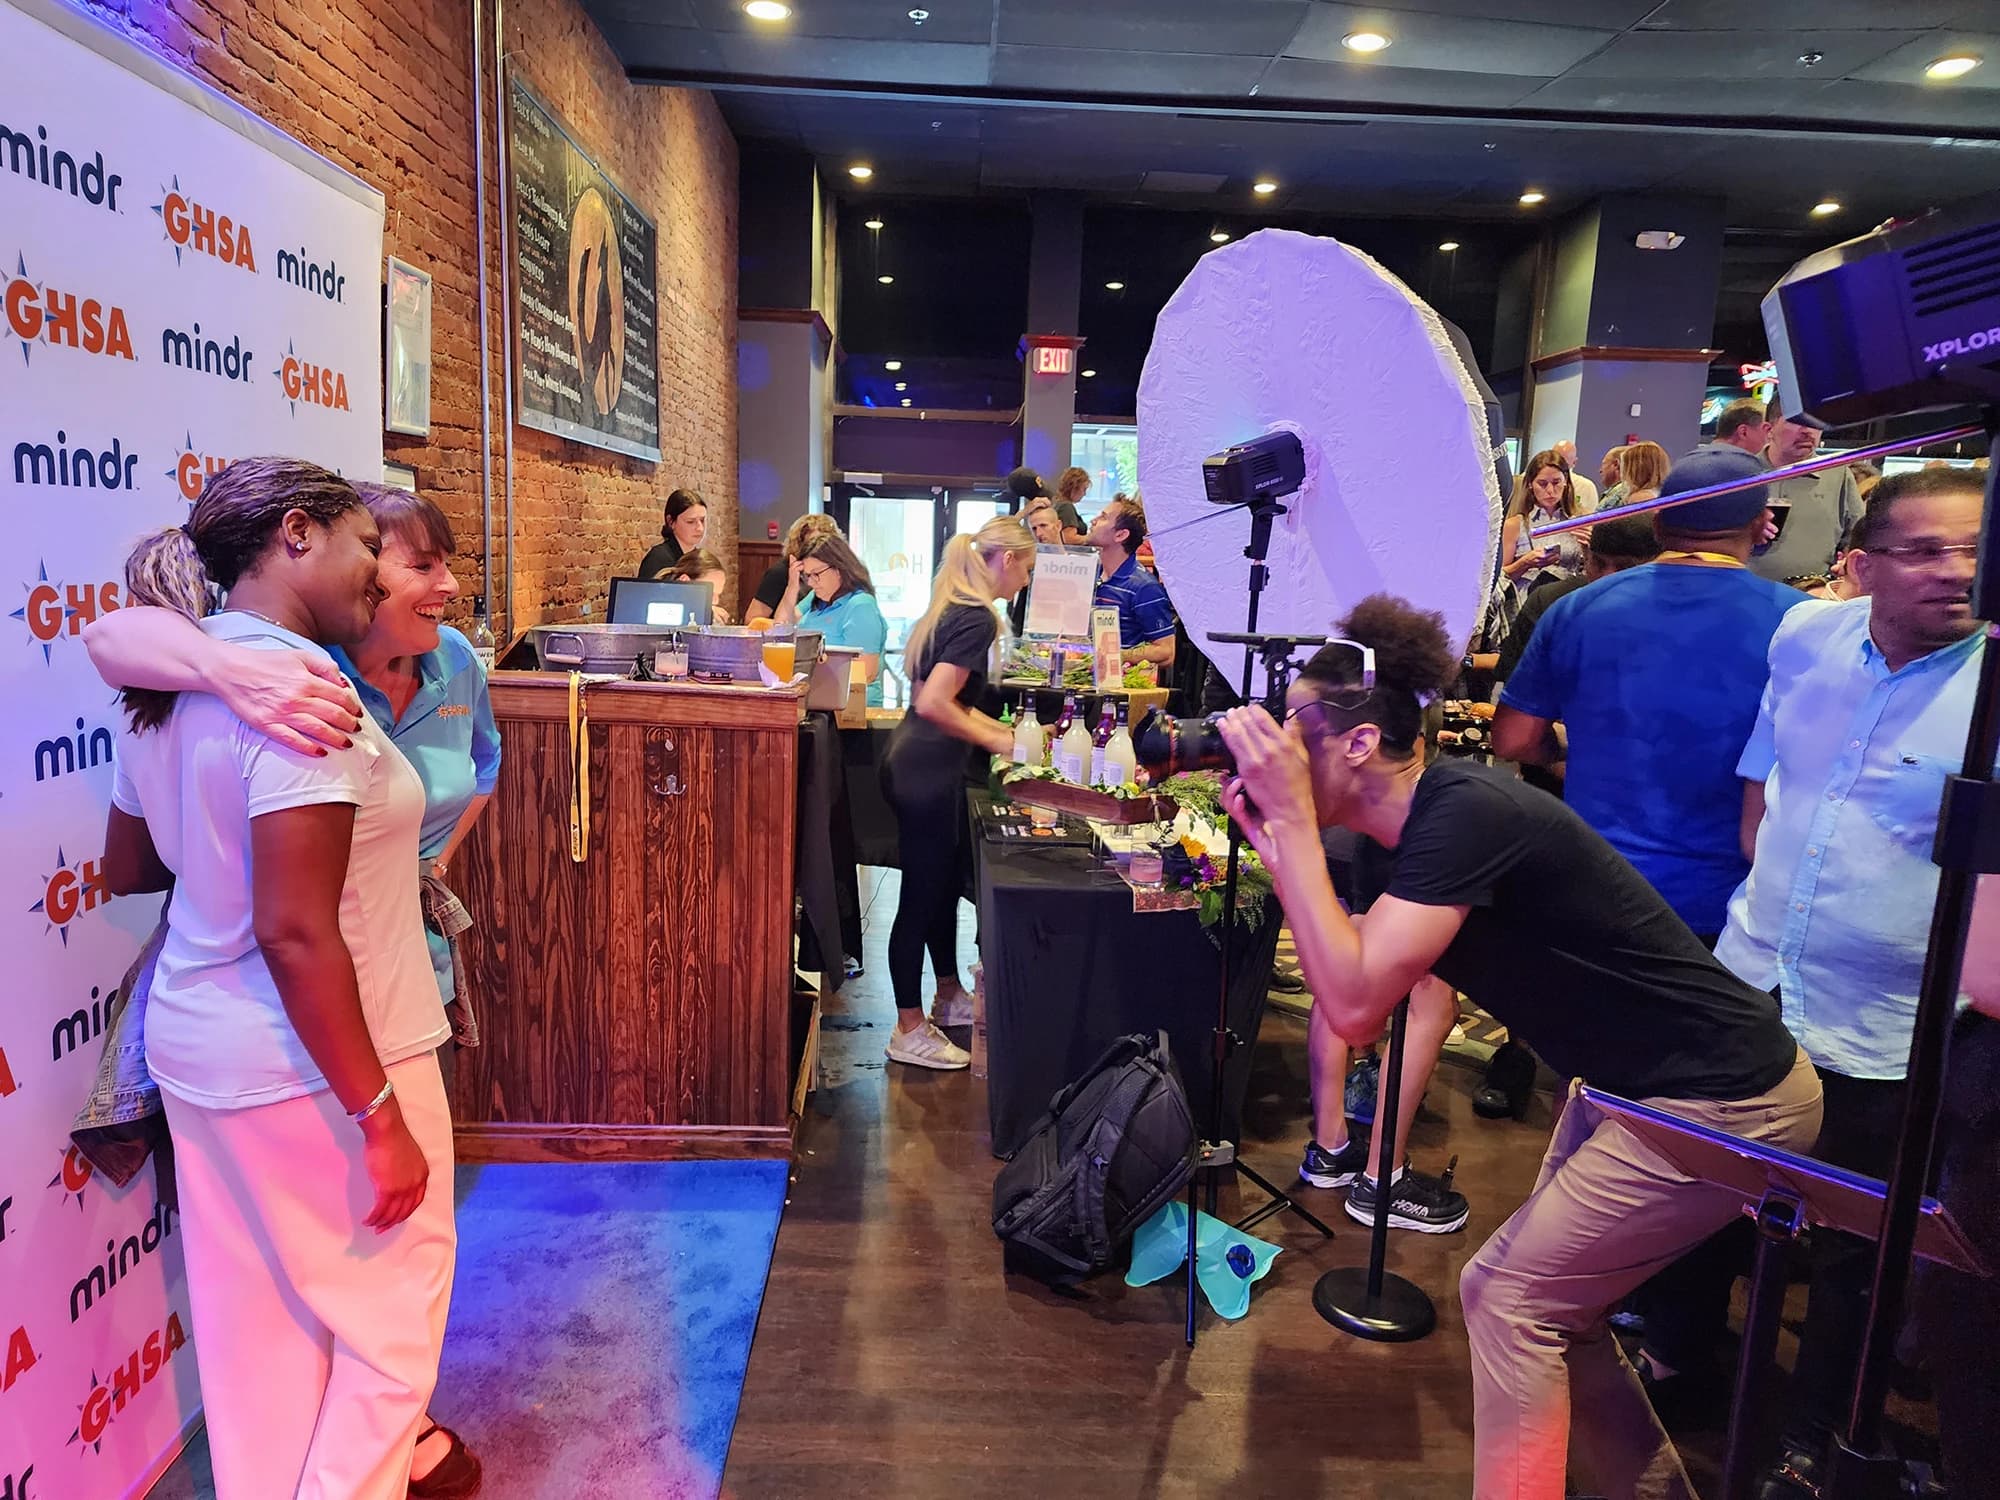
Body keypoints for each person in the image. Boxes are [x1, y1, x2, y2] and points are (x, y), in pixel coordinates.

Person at [1213, 593, 1820, 1500]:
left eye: (1289, 732)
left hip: (1724, 1094)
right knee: (1554, 1316)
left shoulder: (1470, 811)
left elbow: (1342, 1005)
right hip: (1632, 1087)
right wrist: (1279, 843)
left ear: (1356, 745)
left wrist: (1294, 827)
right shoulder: (1411, 832)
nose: (1268, 756)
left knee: (1511, 1302)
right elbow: (1358, 992)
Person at [86, 480, 498, 1499]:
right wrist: (378, 1112)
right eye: (370, 544)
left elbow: (131, 868)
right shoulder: (300, 698)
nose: (380, 567)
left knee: (254, 1337)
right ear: (295, 535)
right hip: (329, 1054)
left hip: (202, 1042)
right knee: (393, 1331)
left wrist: (216, 847)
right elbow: (294, 931)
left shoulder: (180, 684)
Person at [1715, 467, 1984, 1466]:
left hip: (1889, 1032)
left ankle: (1809, 1436)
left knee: (1852, 1259)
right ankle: (1680, 1361)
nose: (1954, 572)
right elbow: (1766, 772)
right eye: (1923, 551)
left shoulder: (1990, 688)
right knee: (1711, 1196)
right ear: (1861, 565)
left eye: (1974, 548)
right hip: (1752, 982)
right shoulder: (1803, 638)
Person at [1494, 447, 1804, 944]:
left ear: (1658, 525)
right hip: (1728, 904)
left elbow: (1512, 739)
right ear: (1763, 523)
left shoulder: (1579, 608)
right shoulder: (1801, 622)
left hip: (1593, 883)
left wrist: (1566, 755)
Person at [880, 516, 1035, 1069]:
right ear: (1008, 560)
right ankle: (907, 1027)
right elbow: (933, 702)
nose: (1024, 582)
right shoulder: (978, 619)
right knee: (921, 900)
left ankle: (947, 995)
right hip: (929, 770)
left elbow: (927, 693)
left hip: (914, 760)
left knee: (940, 889)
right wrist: (1000, 738)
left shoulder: (949, 608)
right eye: (1027, 569)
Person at [1754, 401, 1865, 585]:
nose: (1808, 431)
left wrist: (1847, 565)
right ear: (1768, 429)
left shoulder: (1837, 473)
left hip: (1813, 598)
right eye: (1796, 421)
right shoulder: (1742, 475)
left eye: (1816, 422)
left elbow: (1857, 535)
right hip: (1748, 596)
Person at [779, 533, 889, 705]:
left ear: (839, 569)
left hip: (849, 713)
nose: (811, 582)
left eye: (816, 574)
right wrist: (792, 586)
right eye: (807, 576)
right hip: (816, 702)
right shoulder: (818, 596)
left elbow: (865, 673)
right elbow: (781, 627)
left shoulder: (860, 605)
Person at [1086, 494, 1176, 668]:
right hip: (1078, 676)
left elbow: (1166, 651)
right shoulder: (1087, 573)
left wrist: (1119, 656)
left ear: (1120, 535)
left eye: (1103, 517)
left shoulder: (1144, 587)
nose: (1093, 521)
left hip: (1118, 685)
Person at [748, 512, 841, 620]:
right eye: (811, 545)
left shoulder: (838, 579)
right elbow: (753, 620)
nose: (817, 550)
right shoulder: (780, 573)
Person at [636, 487, 708, 581]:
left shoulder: (700, 559)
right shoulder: (658, 559)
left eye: (702, 520)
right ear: (670, 522)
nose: (700, 528)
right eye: (690, 522)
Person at [658, 546, 733, 623]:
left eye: (719, 595)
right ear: (684, 581)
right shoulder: (658, 605)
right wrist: (702, 612)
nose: (715, 601)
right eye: (710, 593)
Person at [1553, 439, 1599, 512]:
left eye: (1564, 465)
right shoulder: (1536, 483)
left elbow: (1591, 520)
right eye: (1555, 464)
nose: (1559, 469)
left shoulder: (1587, 487)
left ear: (1574, 463)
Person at [1053, 464, 1091, 544]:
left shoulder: (1058, 504)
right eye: (1084, 489)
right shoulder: (1066, 507)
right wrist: (1092, 537)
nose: (1084, 494)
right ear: (1075, 487)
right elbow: (1069, 538)